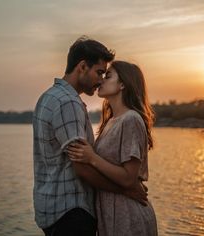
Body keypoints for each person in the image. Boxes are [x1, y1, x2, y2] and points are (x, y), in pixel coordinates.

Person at [33, 37, 148, 236]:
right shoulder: (68, 102)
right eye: (99, 72)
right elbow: (82, 168)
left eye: (106, 74)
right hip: (70, 210)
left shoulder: (49, 97)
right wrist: (127, 190)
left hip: (57, 209)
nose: (100, 79)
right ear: (83, 66)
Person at [67, 61, 158, 236]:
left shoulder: (131, 119)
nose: (100, 81)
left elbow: (128, 179)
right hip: (110, 212)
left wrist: (92, 158)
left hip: (128, 214)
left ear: (123, 84)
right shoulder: (111, 122)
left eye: (108, 76)